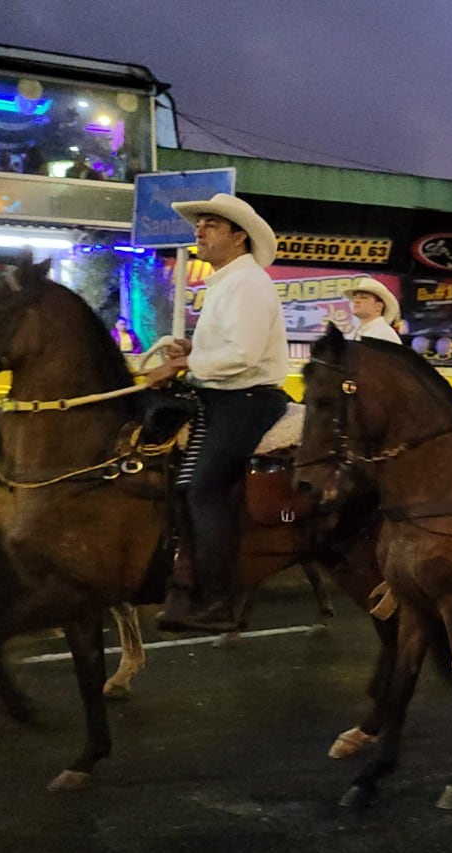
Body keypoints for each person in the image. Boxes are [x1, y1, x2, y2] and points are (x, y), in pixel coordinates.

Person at [145, 194, 290, 632]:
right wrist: (194, 349)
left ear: (239, 236)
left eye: (211, 224)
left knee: (203, 489)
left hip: (245, 400)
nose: (200, 231)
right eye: (200, 224)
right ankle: (180, 582)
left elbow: (243, 355)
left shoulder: (247, 283)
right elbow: (228, 347)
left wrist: (183, 364)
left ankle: (220, 600)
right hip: (222, 396)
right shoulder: (228, 282)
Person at [342, 277, 402, 344]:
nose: (356, 301)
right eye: (355, 297)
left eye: (364, 297)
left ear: (379, 306)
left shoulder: (385, 334)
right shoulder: (354, 333)